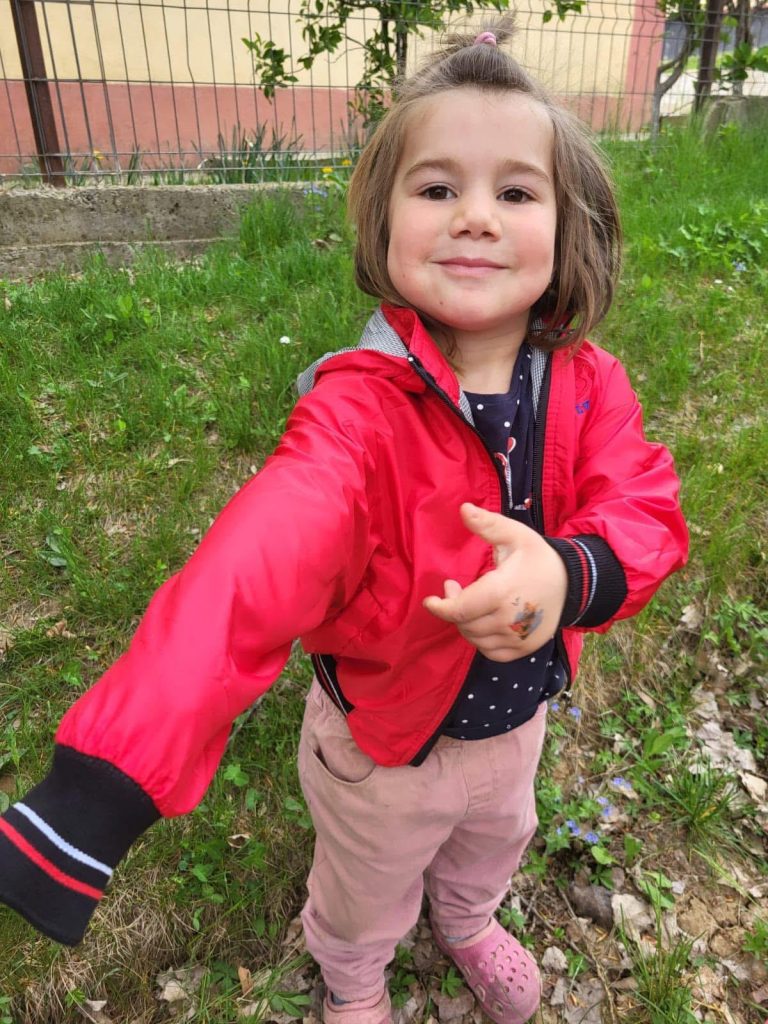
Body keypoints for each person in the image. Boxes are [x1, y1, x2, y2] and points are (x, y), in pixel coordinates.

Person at [0, 15, 688, 1024]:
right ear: (382, 217)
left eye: (515, 192)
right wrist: (104, 781)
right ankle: (354, 975)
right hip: (383, 748)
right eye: (437, 188)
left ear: (570, 222)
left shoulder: (590, 386)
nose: (476, 216)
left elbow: (645, 507)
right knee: (365, 885)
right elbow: (246, 573)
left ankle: (467, 920)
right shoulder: (356, 413)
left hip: (518, 724)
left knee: (496, 839)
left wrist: (567, 573)